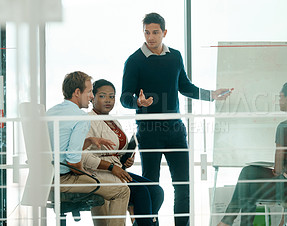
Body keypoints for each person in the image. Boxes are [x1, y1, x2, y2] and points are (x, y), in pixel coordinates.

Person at [120, 12, 231, 226]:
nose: (150, 37)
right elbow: (125, 98)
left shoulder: (175, 56)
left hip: (175, 132)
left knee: (183, 185)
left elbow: (185, 87)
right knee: (152, 186)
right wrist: (138, 103)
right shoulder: (134, 61)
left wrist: (210, 95)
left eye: (155, 32)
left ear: (164, 32)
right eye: (146, 32)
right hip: (149, 132)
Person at [218, 80, 287, 226]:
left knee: (248, 174)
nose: (278, 101)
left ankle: (226, 221)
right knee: (249, 184)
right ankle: (226, 222)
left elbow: (278, 169)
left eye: (280, 97)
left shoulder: (284, 127)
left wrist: (277, 169)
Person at [47, 71, 130, 226]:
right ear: (77, 92)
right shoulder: (81, 117)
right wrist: (85, 173)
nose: (92, 96)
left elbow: (61, 148)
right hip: (64, 179)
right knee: (122, 191)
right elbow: (73, 162)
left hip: (48, 178)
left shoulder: (51, 112)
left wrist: (89, 141)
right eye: (90, 91)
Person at [82, 79, 164, 226]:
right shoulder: (88, 120)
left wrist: (126, 159)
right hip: (101, 171)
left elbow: (117, 151)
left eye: (112, 96)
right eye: (102, 96)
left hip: (118, 170)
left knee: (156, 191)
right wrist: (112, 166)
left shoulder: (113, 121)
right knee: (142, 192)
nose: (108, 100)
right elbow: (84, 155)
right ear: (92, 97)